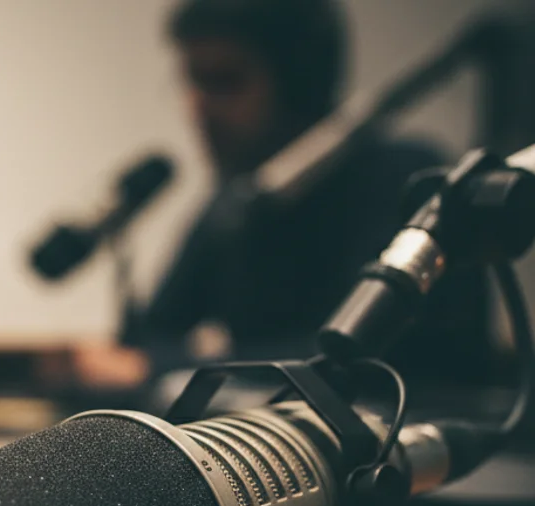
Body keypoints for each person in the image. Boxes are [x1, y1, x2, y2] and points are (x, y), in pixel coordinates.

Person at [65, 0, 496, 395]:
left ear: (301, 85)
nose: (197, 106)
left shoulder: (404, 179)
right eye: (191, 80)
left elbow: (358, 353)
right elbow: (157, 336)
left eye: (223, 81)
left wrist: (163, 365)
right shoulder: (236, 203)